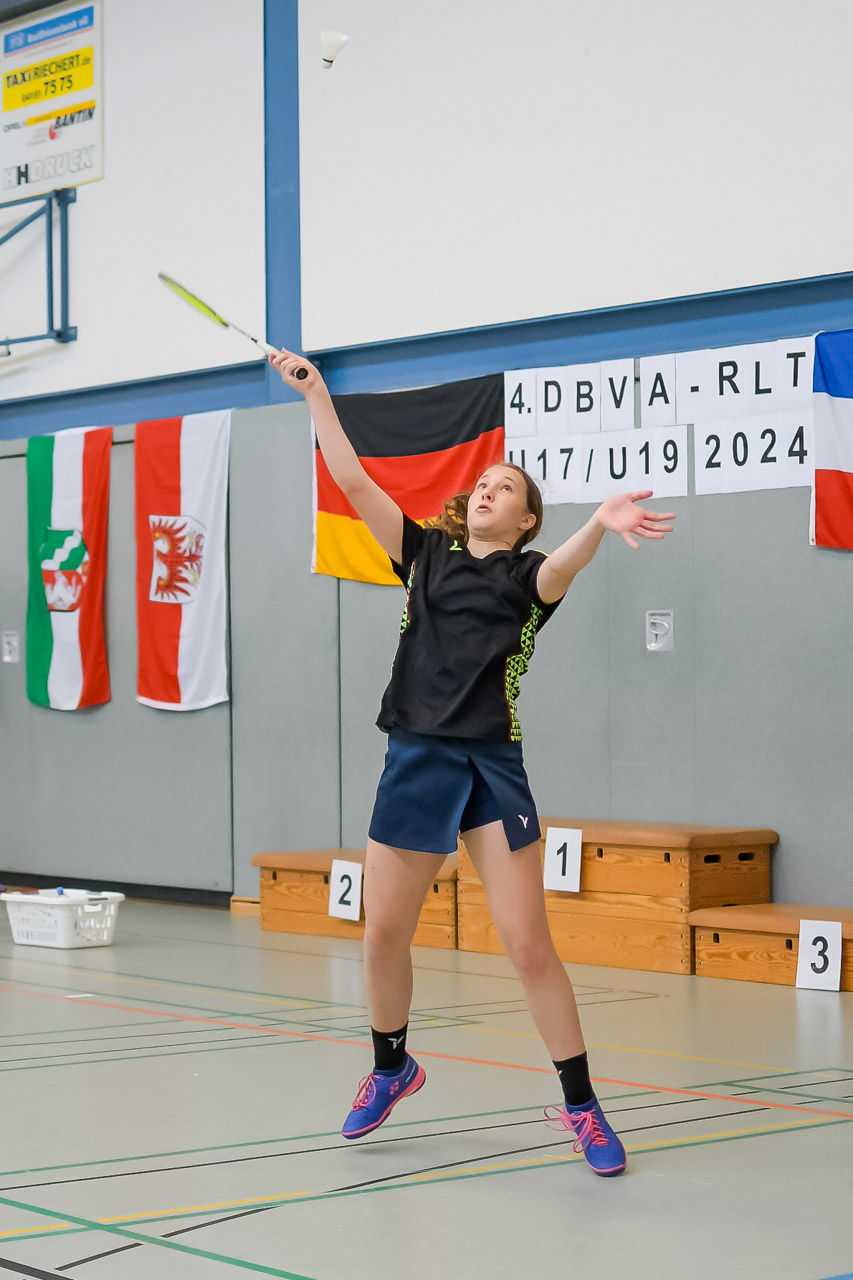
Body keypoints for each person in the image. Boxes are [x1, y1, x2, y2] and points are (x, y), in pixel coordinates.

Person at [271, 349, 675, 1177]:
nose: (486, 490)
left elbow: (565, 566)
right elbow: (351, 481)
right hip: (414, 757)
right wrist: (316, 396)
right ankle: (392, 1068)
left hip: (490, 768)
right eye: (482, 483)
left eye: (505, 488)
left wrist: (599, 522)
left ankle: (582, 1106)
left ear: (526, 519)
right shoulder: (423, 555)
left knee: (527, 945)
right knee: (383, 933)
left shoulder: (530, 579)